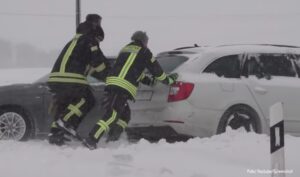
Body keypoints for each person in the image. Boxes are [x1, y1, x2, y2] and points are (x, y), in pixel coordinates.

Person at [83, 31, 178, 149]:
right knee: (112, 114)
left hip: (114, 83)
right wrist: (168, 80)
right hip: (122, 86)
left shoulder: (125, 49)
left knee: (125, 116)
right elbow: (156, 70)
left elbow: (133, 70)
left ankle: (112, 139)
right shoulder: (144, 52)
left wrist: (149, 81)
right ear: (144, 41)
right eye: (147, 42)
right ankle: (91, 139)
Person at [47, 14, 110, 146]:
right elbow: (98, 62)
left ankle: (56, 135)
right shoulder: (90, 40)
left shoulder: (75, 40)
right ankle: (65, 122)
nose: (99, 43)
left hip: (56, 78)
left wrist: (100, 73)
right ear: (96, 35)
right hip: (70, 78)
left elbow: (91, 68)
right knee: (87, 100)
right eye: (99, 40)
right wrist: (110, 75)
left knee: (63, 106)